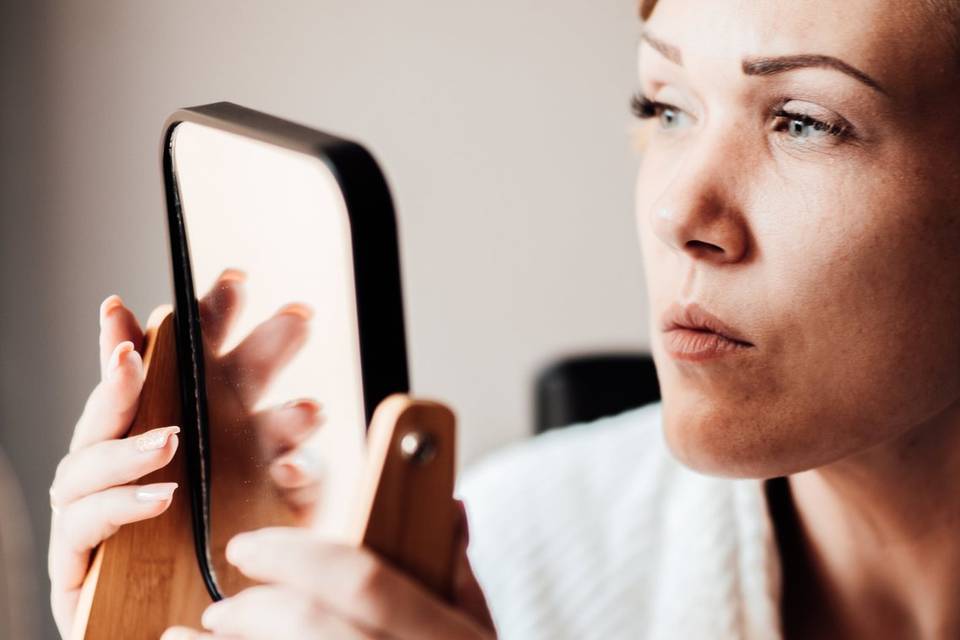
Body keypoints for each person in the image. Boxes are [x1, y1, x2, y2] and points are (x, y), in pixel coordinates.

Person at [48, 0, 960, 637]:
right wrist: (166, 620)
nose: (677, 212)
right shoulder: (502, 556)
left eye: (804, 121)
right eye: (665, 106)